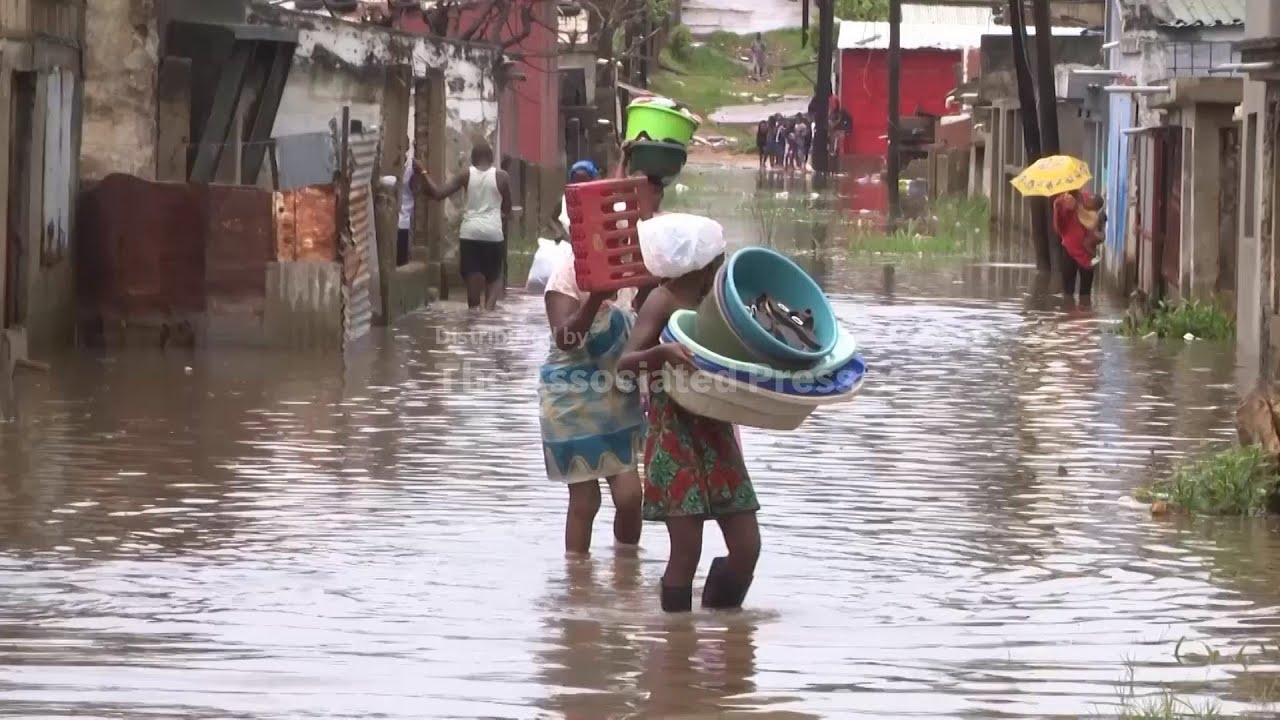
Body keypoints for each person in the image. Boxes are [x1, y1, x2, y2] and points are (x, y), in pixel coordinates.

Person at [618, 218, 761, 614]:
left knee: (747, 546)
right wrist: (661, 354)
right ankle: (675, 647)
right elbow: (623, 366)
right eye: (717, 260)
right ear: (699, 264)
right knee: (686, 549)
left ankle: (724, 627)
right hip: (673, 432)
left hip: (717, 429)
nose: (722, 266)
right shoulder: (662, 300)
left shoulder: (722, 303)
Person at [540, 250, 645, 556]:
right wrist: (596, 299)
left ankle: (626, 572)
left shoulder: (635, 273)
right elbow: (565, 339)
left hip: (616, 395)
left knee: (630, 497)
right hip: (570, 398)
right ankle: (577, 582)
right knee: (585, 501)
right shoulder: (567, 275)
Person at [417, 140, 512, 310]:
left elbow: (438, 193)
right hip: (493, 234)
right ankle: (489, 311)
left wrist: (422, 171)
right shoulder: (502, 177)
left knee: (472, 278)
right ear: (491, 159)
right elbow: (507, 210)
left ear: (473, 159)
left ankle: (475, 314)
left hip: (470, 234)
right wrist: (500, 216)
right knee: (495, 276)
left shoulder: (466, 175)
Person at [1053, 189, 1095, 299]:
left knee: (1085, 294)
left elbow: (1093, 220)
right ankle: (1070, 313)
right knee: (1067, 293)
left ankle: (1084, 313)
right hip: (1069, 251)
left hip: (1086, 251)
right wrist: (1059, 210)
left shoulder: (1086, 198)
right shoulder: (1060, 202)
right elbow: (1058, 229)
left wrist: (1077, 207)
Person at [399, 149, 416, 267]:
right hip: (401, 221)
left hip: (403, 221)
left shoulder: (409, 171)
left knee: (401, 261)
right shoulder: (406, 169)